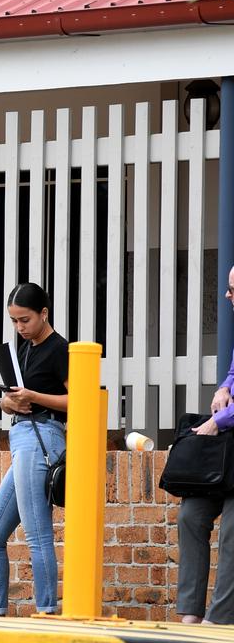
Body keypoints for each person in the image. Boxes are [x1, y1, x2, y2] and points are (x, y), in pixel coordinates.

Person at [0, 283, 68, 616]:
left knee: (37, 533)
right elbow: (14, 399)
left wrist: (33, 397)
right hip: (22, 437)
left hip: (44, 436)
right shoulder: (24, 348)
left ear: (44, 313)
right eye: (15, 321)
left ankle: (46, 612)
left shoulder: (60, 349)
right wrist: (10, 402)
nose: (20, 327)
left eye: (25, 320)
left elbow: (78, 401)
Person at [176, 264, 234, 625]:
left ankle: (220, 619)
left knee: (232, 529)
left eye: (232, 289)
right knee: (189, 516)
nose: (227, 295)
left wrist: (217, 421)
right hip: (227, 451)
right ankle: (189, 616)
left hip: (225, 433)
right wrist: (224, 387)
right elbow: (233, 372)